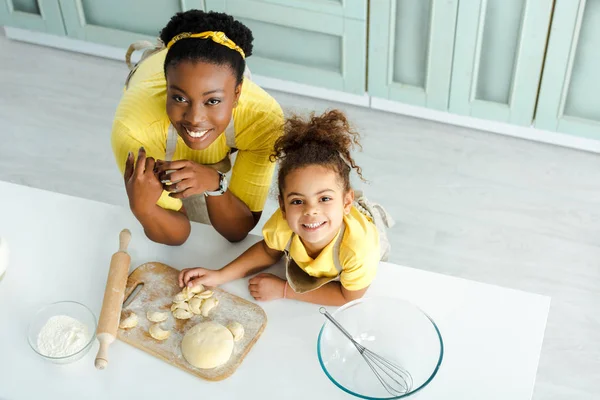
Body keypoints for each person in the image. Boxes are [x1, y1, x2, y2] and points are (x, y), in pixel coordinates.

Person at [177, 110, 393, 306]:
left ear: (346, 203)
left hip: (366, 231)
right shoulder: (286, 223)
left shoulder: (358, 249)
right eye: (298, 201)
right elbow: (267, 251)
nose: (311, 211)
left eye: (324, 198)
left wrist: (284, 289)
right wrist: (219, 276)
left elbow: (348, 297)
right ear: (283, 206)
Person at [111, 10, 284, 245]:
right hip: (157, 132)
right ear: (167, 86)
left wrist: (216, 183)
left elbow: (237, 231)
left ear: (236, 94)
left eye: (212, 101)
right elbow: (178, 236)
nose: (194, 118)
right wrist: (143, 209)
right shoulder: (134, 128)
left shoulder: (263, 119)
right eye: (180, 98)